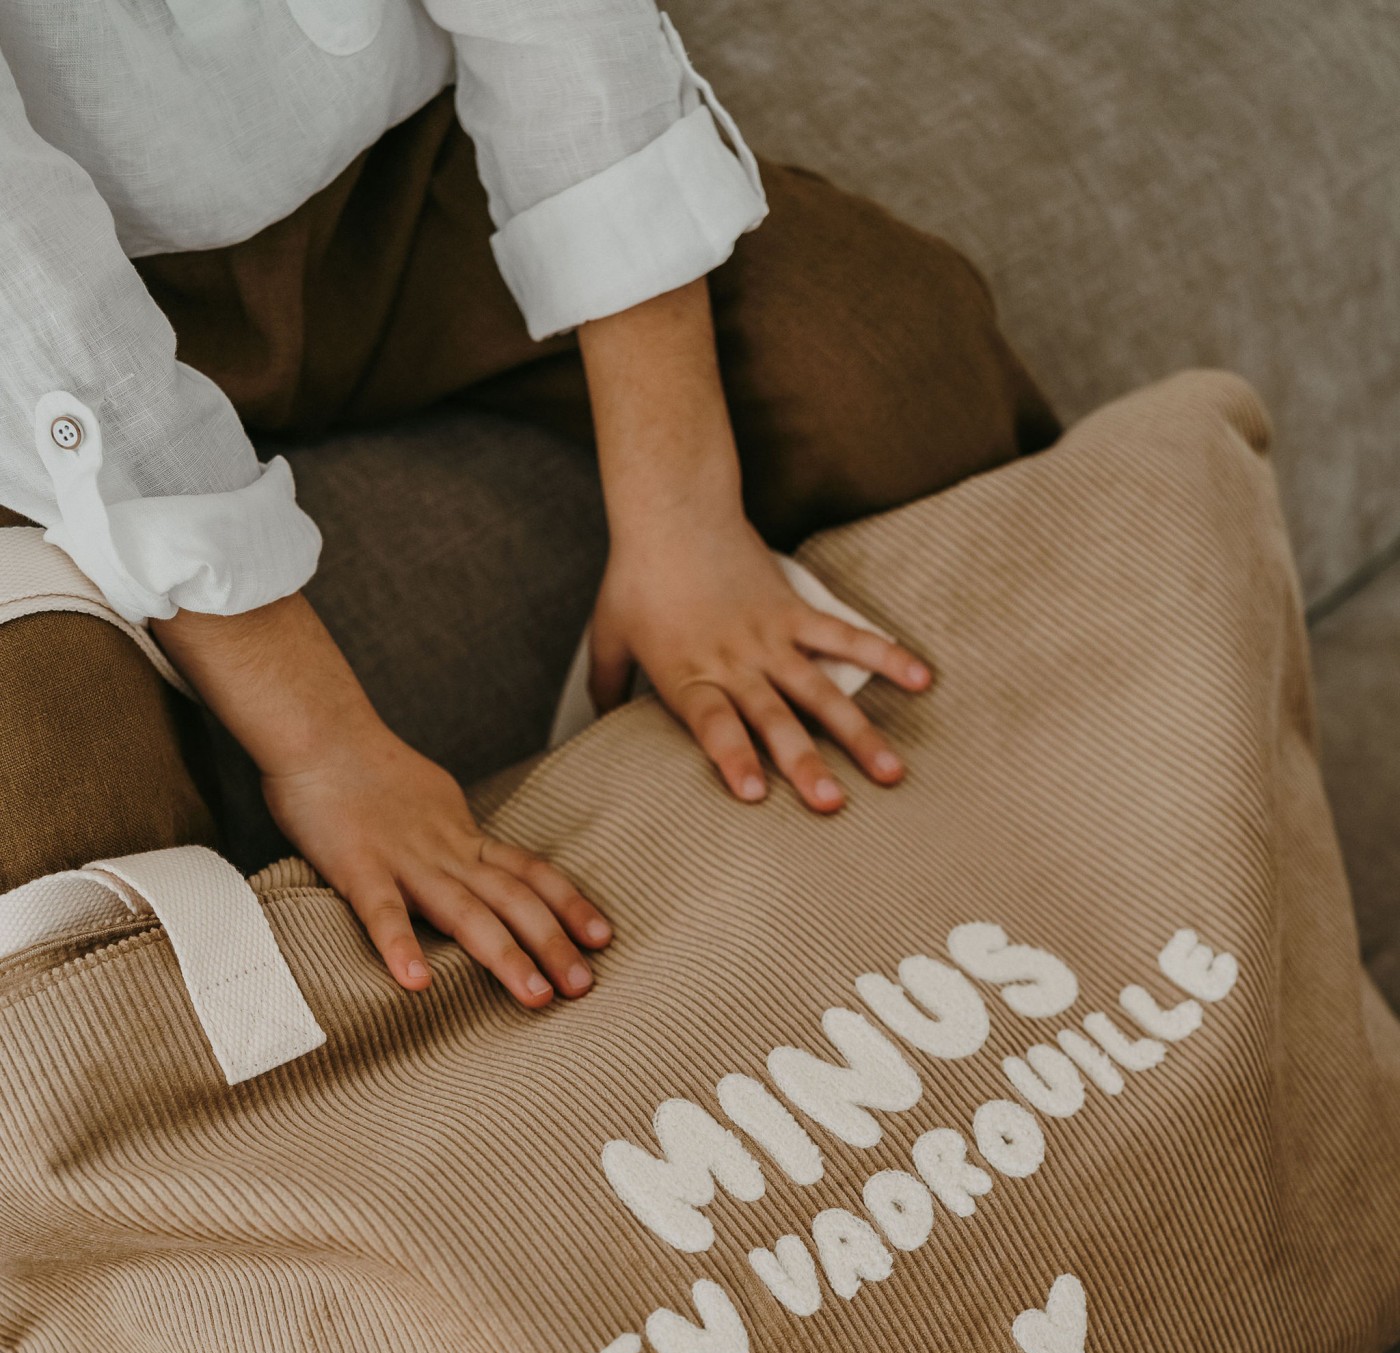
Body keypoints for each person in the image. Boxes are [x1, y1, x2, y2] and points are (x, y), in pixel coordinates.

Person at [0, 1, 1056, 1008]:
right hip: (27, 366)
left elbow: (562, 29)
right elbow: (42, 309)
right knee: (32, 774)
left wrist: (682, 519)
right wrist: (322, 748)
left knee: (882, 354)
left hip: (406, 172)